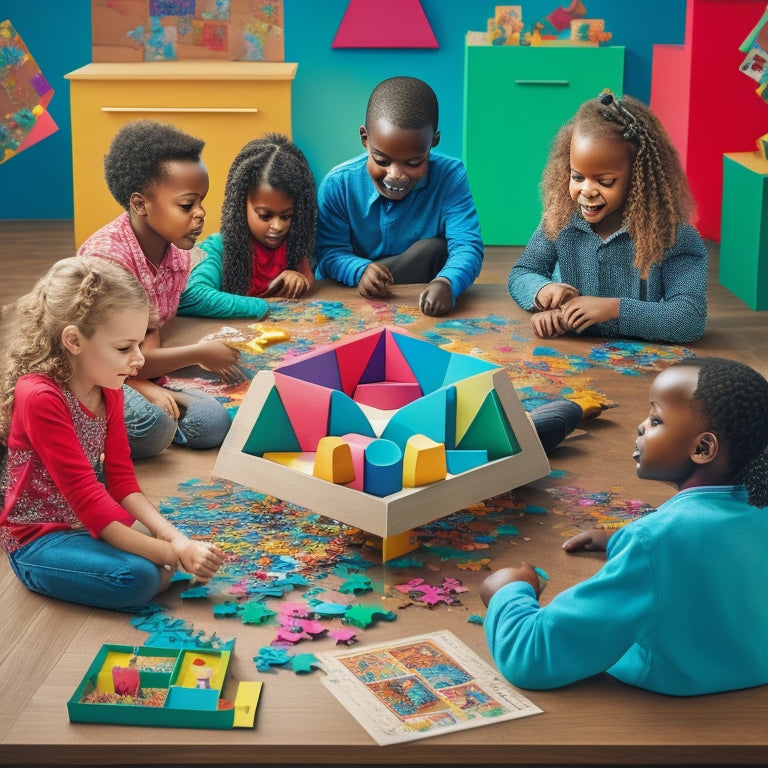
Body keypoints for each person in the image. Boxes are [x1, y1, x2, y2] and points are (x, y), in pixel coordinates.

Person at [480, 356, 768, 696]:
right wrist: (626, 540)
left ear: (703, 448)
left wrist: (509, 593)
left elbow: (533, 656)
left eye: (656, 419)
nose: (641, 427)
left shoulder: (654, 542)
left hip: (671, 708)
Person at [0, 257, 225, 610]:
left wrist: (177, 541)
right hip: (38, 540)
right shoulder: (40, 397)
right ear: (73, 340)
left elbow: (121, 481)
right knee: (140, 577)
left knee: (157, 560)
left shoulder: (112, 387)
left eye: (138, 344)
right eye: (124, 348)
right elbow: (90, 501)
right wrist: (175, 553)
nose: (138, 360)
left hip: (89, 525)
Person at [77, 119, 238, 459]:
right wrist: (193, 356)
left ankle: (133, 422)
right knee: (151, 425)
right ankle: (85, 430)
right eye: (186, 205)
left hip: (129, 366)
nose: (200, 214)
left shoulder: (176, 254)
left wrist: (145, 379)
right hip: (92, 376)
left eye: (201, 203)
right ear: (140, 204)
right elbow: (99, 356)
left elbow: (151, 331)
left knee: (212, 422)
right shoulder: (108, 262)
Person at [508, 91, 708, 344]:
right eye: (577, 176)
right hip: (572, 355)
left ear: (638, 179)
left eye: (605, 181)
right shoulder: (561, 220)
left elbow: (688, 320)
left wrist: (614, 309)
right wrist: (542, 292)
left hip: (640, 364)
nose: (587, 190)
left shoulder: (675, 237)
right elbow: (523, 272)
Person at [314, 76, 484, 317]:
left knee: (435, 249)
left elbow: (467, 245)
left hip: (416, 297)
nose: (395, 175)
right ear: (365, 138)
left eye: (414, 162)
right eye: (381, 160)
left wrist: (447, 282)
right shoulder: (339, 183)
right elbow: (329, 252)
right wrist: (359, 270)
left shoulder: (450, 176)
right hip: (350, 293)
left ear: (433, 142)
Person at [178, 132, 318, 318]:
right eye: (264, 215)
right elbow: (192, 297)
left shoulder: (294, 246)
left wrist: (299, 280)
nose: (277, 226)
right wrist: (264, 306)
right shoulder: (218, 249)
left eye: (286, 216)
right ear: (240, 205)